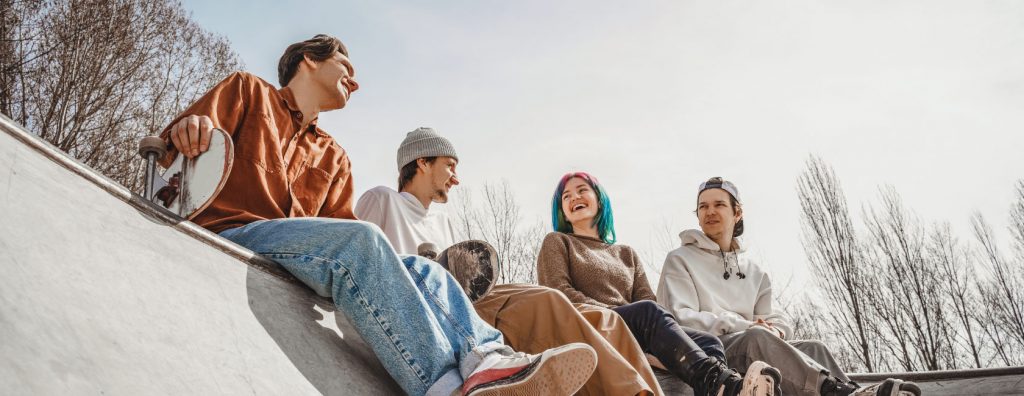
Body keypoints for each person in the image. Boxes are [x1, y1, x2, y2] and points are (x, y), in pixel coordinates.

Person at [158, 34, 597, 396]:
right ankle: (444, 387)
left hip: (297, 256)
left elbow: (344, 241)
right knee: (364, 239)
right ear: (309, 60)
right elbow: (172, 161)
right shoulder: (246, 91)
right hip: (232, 231)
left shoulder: (334, 157)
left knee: (426, 270)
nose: (356, 81)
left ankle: (487, 360)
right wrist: (187, 130)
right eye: (346, 67)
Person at [355, 127, 664, 395]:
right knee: (547, 299)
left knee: (607, 320)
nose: (456, 178)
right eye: (449, 166)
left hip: (462, 301)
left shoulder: (444, 221)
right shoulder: (382, 199)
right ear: (422, 161)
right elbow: (361, 259)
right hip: (426, 304)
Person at [656, 177, 921, 396]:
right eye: (703, 207)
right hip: (706, 353)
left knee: (814, 348)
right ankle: (838, 392)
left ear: (737, 212)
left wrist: (777, 331)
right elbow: (680, 318)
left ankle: (855, 391)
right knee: (756, 339)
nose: (710, 211)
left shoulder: (753, 270)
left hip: (755, 345)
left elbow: (774, 316)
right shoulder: (680, 259)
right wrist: (747, 326)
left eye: (719, 205)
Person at [537, 172, 782, 396]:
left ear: (599, 200)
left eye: (582, 190)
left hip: (632, 327)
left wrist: (648, 342)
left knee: (709, 342)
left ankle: (716, 388)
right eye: (566, 196)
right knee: (648, 312)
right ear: (563, 211)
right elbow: (558, 294)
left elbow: (648, 300)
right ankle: (723, 385)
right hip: (588, 323)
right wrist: (614, 316)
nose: (574, 198)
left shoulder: (626, 253)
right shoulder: (558, 242)